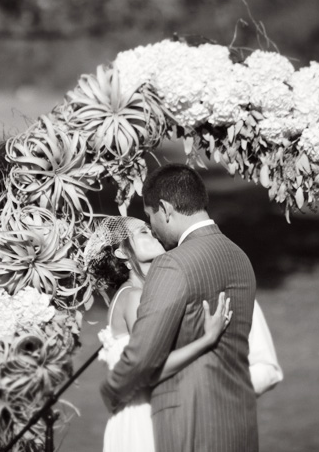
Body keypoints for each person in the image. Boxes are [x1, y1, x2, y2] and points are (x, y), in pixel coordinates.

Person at [100, 163, 259, 452]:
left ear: (165, 209)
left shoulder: (173, 264)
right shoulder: (241, 258)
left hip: (189, 422)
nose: (156, 232)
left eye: (150, 218)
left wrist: (110, 390)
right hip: (239, 421)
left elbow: (141, 361)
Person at [87, 216, 234, 452]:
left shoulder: (130, 294)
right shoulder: (134, 297)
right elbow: (150, 370)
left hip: (139, 415)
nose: (153, 233)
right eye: (143, 232)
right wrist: (207, 339)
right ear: (122, 254)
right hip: (143, 422)